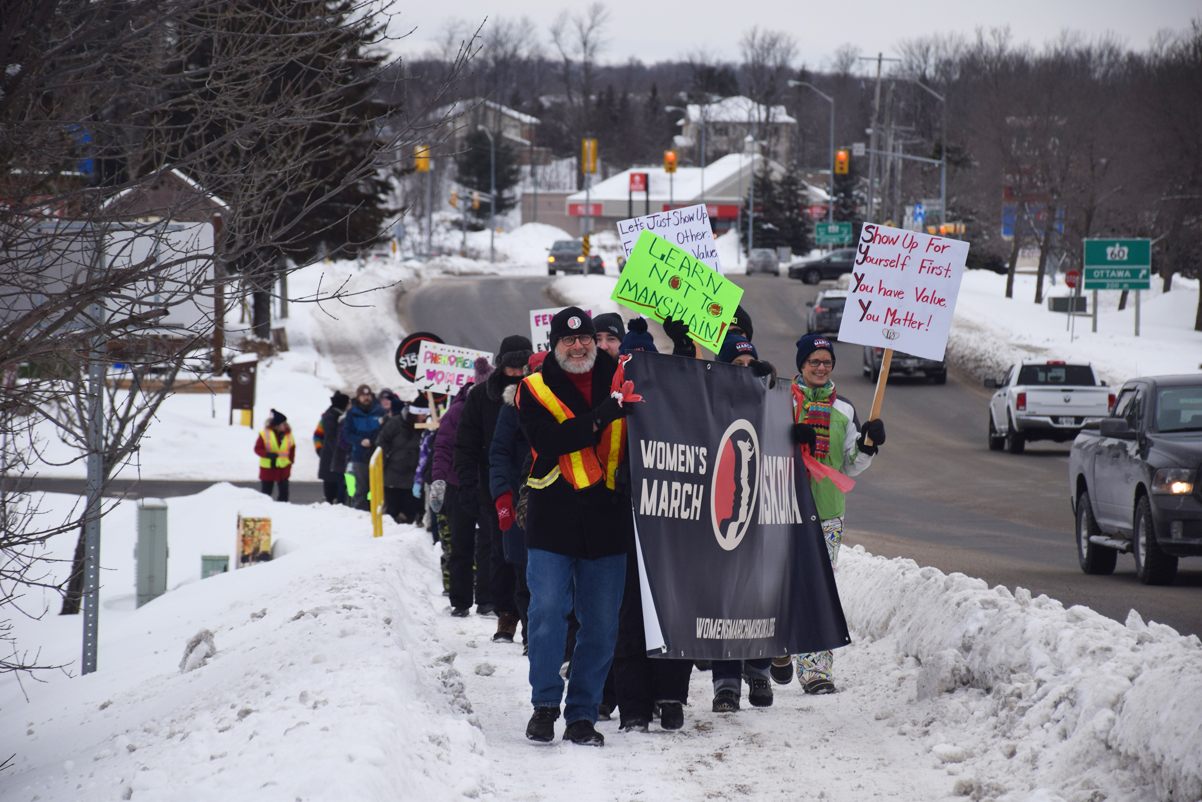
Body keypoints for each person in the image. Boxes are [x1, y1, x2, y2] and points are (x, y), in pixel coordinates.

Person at [518, 306, 632, 747]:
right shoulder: (534, 388)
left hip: (609, 514)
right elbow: (549, 441)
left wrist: (681, 346)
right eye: (569, 341)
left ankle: (583, 714)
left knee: (602, 625)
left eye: (585, 337)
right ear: (554, 345)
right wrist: (601, 416)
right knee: (546, 612)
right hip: (554, 515)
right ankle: (545, 706)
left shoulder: (625, 374)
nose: (579, 345)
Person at [773, 334, 885, 695]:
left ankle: (816, 669)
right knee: (777, 582)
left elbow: (851, 465)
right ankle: (777, 649)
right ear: (801, 365)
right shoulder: (779, 400)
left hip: (827, 513)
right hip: (781, 509)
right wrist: (788, 433)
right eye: (814, 362)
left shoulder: (845, 410)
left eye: (827, 362)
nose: (821, 368)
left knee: (818, 589)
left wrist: (868, 444)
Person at [707, 339, 776, 712]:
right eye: (738, 361)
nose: (746, 366)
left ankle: (760, 672)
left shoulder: (769, 397)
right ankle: (726, 683)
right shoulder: (711, 402)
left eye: (751, 360)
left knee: (759, 597)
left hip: (761, 512)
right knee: (725, 600)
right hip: (723, 511)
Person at [456, 335, 533, 642]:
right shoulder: (481, 396)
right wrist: (467, 485)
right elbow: (466, 443)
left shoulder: (537, 390)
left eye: (521, 366)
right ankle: (507, 613)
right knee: (500, 555)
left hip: (532, 484)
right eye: (511, 366)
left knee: (529, 557)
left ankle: (528, 618)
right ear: (502, 365)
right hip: (493, 486)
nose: (516, 372)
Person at [432, 376, 488, 617]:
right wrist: (439, 479)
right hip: (458, 483)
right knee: (461, 543)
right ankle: (461, 600)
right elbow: (443, 446)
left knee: (489, 545)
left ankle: (487, 599)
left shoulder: (494, 405)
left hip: (487, 484)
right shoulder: (456, 411)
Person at [378, 398, 428, 524]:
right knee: (393, 509)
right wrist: (388, 456)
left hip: (412, 474)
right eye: (422, 414)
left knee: (409, 510)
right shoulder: (395, 422)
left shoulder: (426, 427)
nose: (425, 417)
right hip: (393, 473)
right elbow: (381, 440)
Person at [342, 385, 386, 511]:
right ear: (358, 397)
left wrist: (375, 441)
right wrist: (360, 441)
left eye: (368, 395)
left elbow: (385, 431)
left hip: (376, 454)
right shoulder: (352, 413)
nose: (366, 398)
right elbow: (347, 434)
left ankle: (377, 512)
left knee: (377, 487)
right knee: (361, 487)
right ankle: (361, 512)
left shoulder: (380, 411)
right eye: (363, 396)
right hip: (359, 456)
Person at [314, 391, 350, 504]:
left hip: (334, 459)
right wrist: (339, 452)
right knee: (332, 489)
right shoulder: (330, 417)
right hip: (331, 459)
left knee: (339, 487)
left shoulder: (338, 415)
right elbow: (329, 437)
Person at [255, 409, 295, 502]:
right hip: (268, 468)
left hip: (283, 467)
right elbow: (257, 449)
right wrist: (267, 454)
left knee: (284, 493)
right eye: (283, 423)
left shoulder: (288, 435)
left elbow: (292, 448)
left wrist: (291, 461)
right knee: (266, 493)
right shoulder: (265, 434)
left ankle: (283, 510)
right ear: (277, 425)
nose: (285, 425)